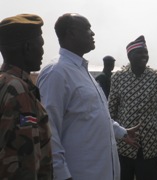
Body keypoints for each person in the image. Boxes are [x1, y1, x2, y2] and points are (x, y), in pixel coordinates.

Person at [36, 13, 139, 180]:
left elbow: (93, 115)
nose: (93, 33)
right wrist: (61, 175)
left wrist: (122, 132)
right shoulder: (56, 73)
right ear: (71, 33)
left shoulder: (81, 70)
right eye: (87, 29)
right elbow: (48, 131)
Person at [108, 35, 157, 180]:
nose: (144, 56)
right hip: (123, 146)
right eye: (140, 53)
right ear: (130, 56)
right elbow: (110, 111)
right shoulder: (118, 78)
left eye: (146, 53)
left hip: (150, 147)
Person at [0, 14, 53, 179]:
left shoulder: (5, 82)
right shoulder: (17, 90)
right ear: (28, 47)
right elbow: (25, 160)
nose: (43, 51)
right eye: (41, 45)